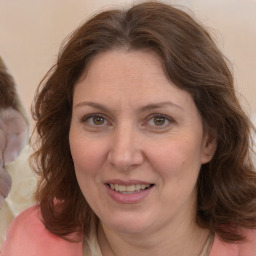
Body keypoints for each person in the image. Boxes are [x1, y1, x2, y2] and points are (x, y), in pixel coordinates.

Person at [1, 1, 256, 255]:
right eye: (97, 119)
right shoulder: (31, 237)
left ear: (209, 140)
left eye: (159, 120)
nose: (123, 156)